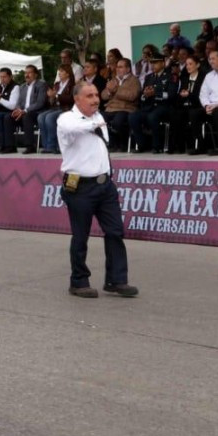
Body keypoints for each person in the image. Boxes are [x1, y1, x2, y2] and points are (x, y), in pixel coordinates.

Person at [56, 82, 138, 299]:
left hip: (105, 185)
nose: (95, 99)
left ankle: (116, 280)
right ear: (77, 99)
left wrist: (97, 121)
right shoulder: (67, 119)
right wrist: (95, 123)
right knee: (81, 235)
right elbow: (72, 129)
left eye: (96, 95)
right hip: (79, 186)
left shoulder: (98, 117)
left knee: (115, 232)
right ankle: (79, 281)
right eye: (89, 96)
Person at [129, 52, 174, 153]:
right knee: (133, 117)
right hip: (149, 107)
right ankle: (141, 145)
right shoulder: (149, 77)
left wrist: (156, 94)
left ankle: (156, 146)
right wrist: (145, 94)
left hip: (164, 107)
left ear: (163, 63)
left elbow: (171, 95)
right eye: (151, 63)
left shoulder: (170, 76)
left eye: (156, 63)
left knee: (152, 116)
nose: (153, 65)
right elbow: (142, 96)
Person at [169, 56, 207, 155]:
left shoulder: (203, 78)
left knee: (192, 114)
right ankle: (177, 146)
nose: (188, 66)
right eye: (186, 64)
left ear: (197, 65)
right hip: (185, 105)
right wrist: (181, 95)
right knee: (175, 113)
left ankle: (199, 145)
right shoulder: (184, 79)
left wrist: (189, 94)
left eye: (190, 64)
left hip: (198, 106)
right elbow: (180, 94)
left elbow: (202, 96)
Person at [40, 65, 76, 153]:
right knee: (41, 117)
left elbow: (71, 99)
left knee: (50, 117)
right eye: (59, 71)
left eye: (62, 71)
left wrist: (56, 96)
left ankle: (53, 145)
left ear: (68, 74)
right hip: (56, 107)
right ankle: (46, 145)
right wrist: (51, 98)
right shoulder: (56, 84)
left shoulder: (72, 85)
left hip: (67, 108)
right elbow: (52, 100)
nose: (59, 73)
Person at [13, 65, 48, 153]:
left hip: (37, 112)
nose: (26, 75)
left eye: (29, 73)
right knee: (7, 117)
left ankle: (30, 146)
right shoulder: (22, 87)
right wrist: (17, 110)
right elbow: (19, 102)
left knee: (26, 117)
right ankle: (8, 145)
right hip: (23, 111)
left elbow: (40, 102)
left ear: (35, 75)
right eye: (25, 73)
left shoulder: (41, 84)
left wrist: (24, 111)